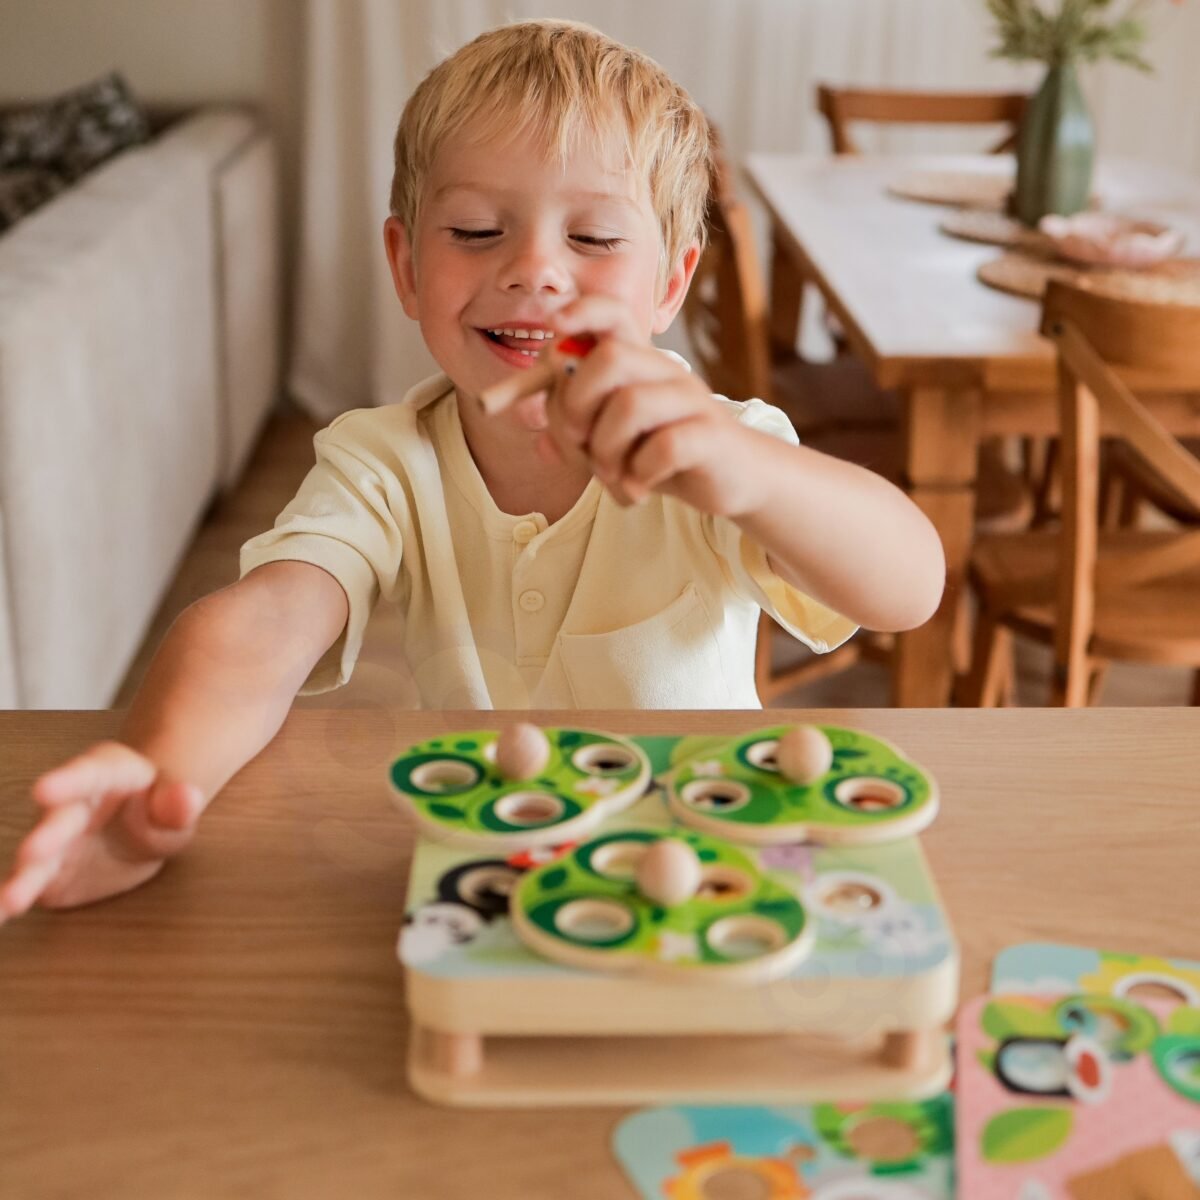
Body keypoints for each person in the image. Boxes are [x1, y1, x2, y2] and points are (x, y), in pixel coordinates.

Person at [0, 20, 944, 922]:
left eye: (593, 238)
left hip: (703, 873)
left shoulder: (718, 448)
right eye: (478, 230)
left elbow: (908, 586)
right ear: (407, 266)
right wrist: (158, 774)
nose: (534, 270)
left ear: (669, 282)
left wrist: (749, 473)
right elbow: (262, 629)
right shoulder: (386, 461)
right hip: (497, 876)